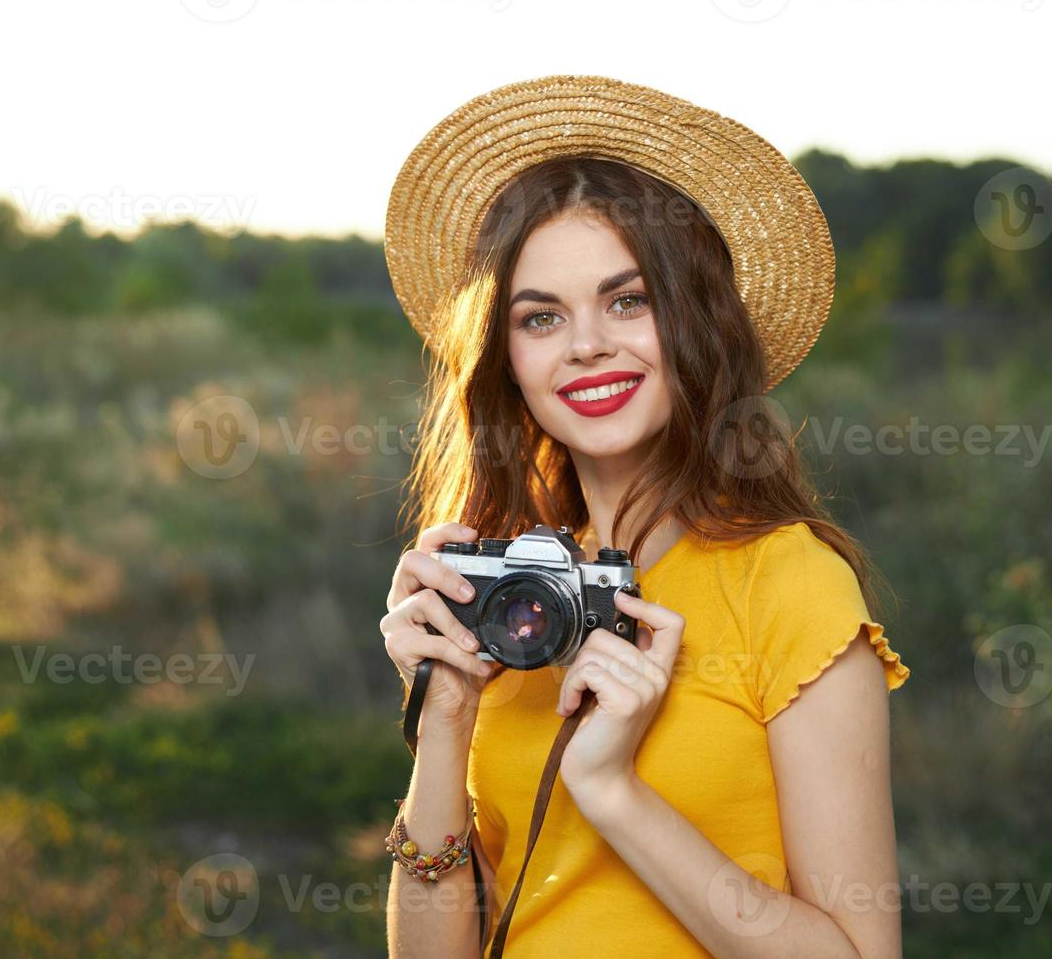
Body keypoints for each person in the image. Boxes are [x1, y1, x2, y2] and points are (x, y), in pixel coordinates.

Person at [378, 75, 910, 958]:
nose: (586, 343)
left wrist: (614, 789)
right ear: (507, 360)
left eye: (628, 301)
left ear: (693, 321)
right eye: (541, 316)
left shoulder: (788, 583)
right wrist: (440, 718)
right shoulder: (514, 597)